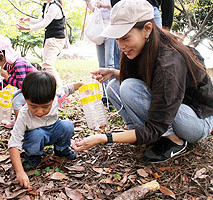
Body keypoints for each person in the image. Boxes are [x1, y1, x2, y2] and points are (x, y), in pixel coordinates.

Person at [72, 0, 213, 163]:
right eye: (117, 39)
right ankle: (139, 133)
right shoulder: (140, 48)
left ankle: (173, 140)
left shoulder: (169, 62)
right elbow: (141, 78)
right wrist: (112, 73)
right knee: (114, 87)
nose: (121, 46)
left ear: (147, 29)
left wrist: (104, 138)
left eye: (125, 38)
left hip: (195, 119)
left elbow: (156, 123)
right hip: (173, 107)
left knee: (129, 88)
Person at [8, 71, 83, 188]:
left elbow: (68, 89)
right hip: (35, 136)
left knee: (67, 126)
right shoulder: (24, 115)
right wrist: (20, 172)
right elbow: (14, 143)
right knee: (36, 135)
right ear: (25, 99)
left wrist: (81, 85)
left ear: (53, 98)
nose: (39, 112)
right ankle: (33, 156)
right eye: (33, 106)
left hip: (54, 128)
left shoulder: (56, 97)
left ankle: (61, 149)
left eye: (45, 107)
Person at [0, 36, 36, 125]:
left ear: (2, 55)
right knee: (14, 97)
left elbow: (21, 84)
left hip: (36, 89)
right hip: (29, 87)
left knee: (17, 102)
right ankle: (18, 119)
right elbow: (8, 80)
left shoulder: (18, 64)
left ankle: (21, 125)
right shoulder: (9, 64)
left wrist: (7, 76)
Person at [16, 0, 66, 87]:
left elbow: (44, 23)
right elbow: (42, 19)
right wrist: (29, 20)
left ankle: (60, 91)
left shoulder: (54, 7)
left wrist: (27, 28)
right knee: (47, 65)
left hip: (55, 39)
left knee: (47, 65)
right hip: (51, 38)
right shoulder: (47, 5)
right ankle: (54, 90)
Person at [85, 0, 116, 104]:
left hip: (111, 27)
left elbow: (118, 5)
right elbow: (93, 9)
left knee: (109, 63)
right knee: (101, 64)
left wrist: (105, 5)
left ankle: (112, 95)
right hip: (99, 29)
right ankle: (105, 95)